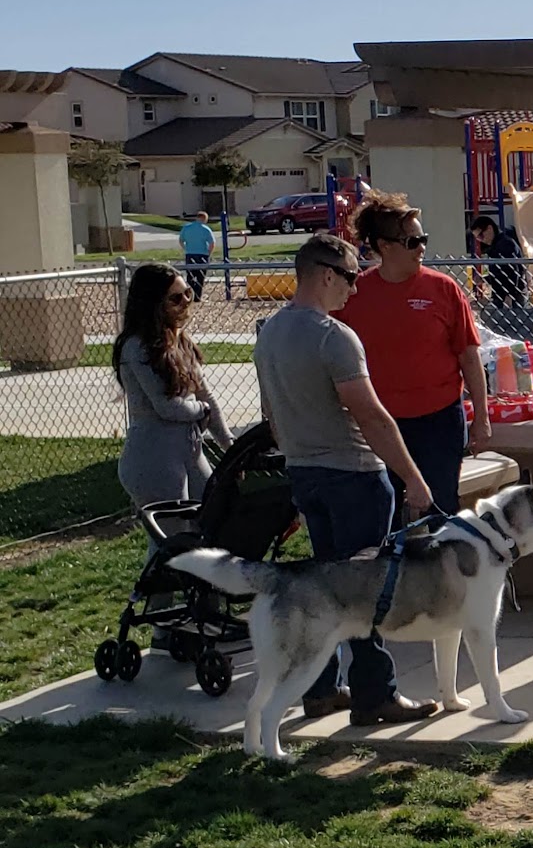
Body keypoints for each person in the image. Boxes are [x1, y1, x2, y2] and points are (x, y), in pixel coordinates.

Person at [256, 233, 439, 728]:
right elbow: (371, 416)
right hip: (353, 476)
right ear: (325, 275)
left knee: (326, 592)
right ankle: (377, 695)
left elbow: (271, 414)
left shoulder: (270, 333)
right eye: (351, 277)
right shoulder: (333, 337)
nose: (355, 289)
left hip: (304, 473)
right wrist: (414, 478)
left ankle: (321, 690)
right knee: (367, 594)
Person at [340, 191, 491, 518]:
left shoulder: (444, 289)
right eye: (412, 242)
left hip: (440, 420)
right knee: (385, 512)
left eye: (423, 239)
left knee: (441, 510)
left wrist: (481, 416)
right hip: (380, 423)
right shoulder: (354, 295)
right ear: (384, 246)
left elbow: (469, 356)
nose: (422, 248)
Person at [113, 262, 229, 508]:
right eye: (176, 298)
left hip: (188, 453)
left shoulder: (181, 340)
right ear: (153, 305)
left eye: (188, 293)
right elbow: (167, 407)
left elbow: (205, 394)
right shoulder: (136, 347)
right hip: (153, 459)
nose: (186, 302)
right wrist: (202, 410)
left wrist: (229, 445)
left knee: (216, 515)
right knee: (175, 530)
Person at [469, 215, 528, 310]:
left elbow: (512, 272)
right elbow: (499, 273)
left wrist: (509, 295)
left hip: (513, 295)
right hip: (502, 294)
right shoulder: (496, 246)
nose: (481, 240)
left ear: (489, 229)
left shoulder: (505, 244)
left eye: (481, 236)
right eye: (478, 238)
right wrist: (485, 279)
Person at [179, 212, 214, 302]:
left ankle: (190, 295)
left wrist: (186, 248)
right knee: (200, 277)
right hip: (202, 255)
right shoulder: (206, 229)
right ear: (204, 219)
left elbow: (181, 240)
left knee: (190, 276)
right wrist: (209, 253)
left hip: (190, 254)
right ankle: (197, 297)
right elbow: (212, 243)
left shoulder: (186, 228)